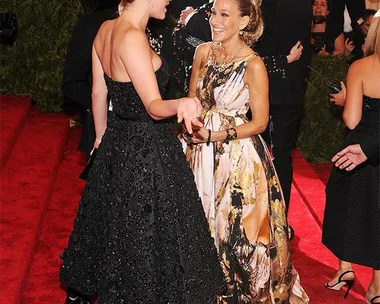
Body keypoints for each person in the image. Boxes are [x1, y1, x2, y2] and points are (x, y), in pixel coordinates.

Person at [59, 0, 225, 302]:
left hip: (118, 143)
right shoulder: (132, 37)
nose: (169, 2)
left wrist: (101, 137)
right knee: (152, 236)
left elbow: (99, 92)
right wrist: (182, 104)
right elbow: (153, 106)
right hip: (147, 151)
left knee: (118, 230)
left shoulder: (105, 30)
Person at [182, 0, 309, 302]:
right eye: (213, 12)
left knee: (235, 233)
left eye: (224, 15)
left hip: (237, 159)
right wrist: (192, 130)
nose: (214, 20)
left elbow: (261, 122)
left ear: (243, 22)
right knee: (197, 224)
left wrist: (218, 134)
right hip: (199, 153)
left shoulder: (253, 64)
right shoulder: (202, 53)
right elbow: (191, 101)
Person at [322, 10, 380, 303]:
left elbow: (352, 120)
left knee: (347, 204)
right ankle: (376, 286)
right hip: (373, 150)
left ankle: (345, 269)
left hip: (359, 150)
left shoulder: (360, 67)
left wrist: (347, 100)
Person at [255, 0, 312, 236]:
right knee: (280, 157)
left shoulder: (260, 5)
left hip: (258, 85)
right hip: (286, 87)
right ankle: (280, 222)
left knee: (257, 154)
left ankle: (261, 219)